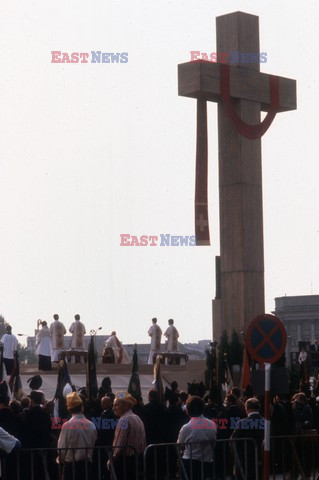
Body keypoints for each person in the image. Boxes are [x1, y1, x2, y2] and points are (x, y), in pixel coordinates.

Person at [57, 392, 97, 480]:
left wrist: (60, 459)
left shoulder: (68, 425)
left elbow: (62, 448)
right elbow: (93, 442)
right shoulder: (91, 425)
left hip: (71, 467)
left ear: (68, 409)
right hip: (87, 466)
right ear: (82, 407)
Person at [177, 395, 217, 480]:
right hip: (207, 461)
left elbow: (179, 444)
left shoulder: (186, 427)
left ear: (188, 410)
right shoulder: (212, 424)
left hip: (189, 462)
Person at [109, 392, 146, 480]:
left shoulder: (124, 420)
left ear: (125, 406)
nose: (113, 408)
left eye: (116, 405)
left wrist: (112, 459)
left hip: (125, 462)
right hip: (137, 459)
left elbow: (119, 446)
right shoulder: (137, 417)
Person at [230, 397, 264, 480]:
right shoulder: (265, 421)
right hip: (261, 457)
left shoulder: (243, 422)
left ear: (247, 408)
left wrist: (235, 455)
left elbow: (232, 441)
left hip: (244, 459)